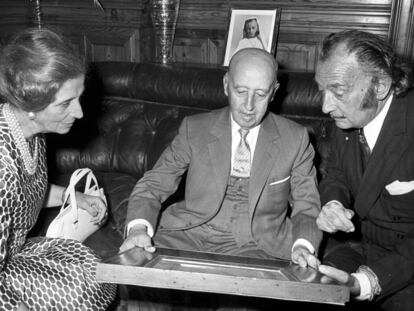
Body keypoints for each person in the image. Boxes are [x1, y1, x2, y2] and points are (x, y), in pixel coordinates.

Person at [120, 48, 322, 270]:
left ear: (274, 92)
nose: (249, 106)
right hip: (189, 233)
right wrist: (138, 229)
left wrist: (303, 245)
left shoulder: (296, 138)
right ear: (226, 84)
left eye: (261, 94)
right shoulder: (194, 128)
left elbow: (307, 206)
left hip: (257, 245)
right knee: (142, 274)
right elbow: (154, 184)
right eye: (241, 91)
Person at [0, 27, 116, 310]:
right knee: (78, 292)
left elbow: (25, 192)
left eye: (79, 97)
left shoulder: (31, 133)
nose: (79, 112)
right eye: (66, 103)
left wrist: (73, 196)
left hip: (11, 255)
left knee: (94, 272)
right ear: (31, 103)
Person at [314, 29, 414, 311]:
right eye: (322, 90)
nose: (325, 106)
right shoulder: (348, 115)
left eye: (338, 91)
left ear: (380, 86)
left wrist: (368, 282)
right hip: (359, 247)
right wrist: (334, 203)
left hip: (405, 264)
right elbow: (336, 172)